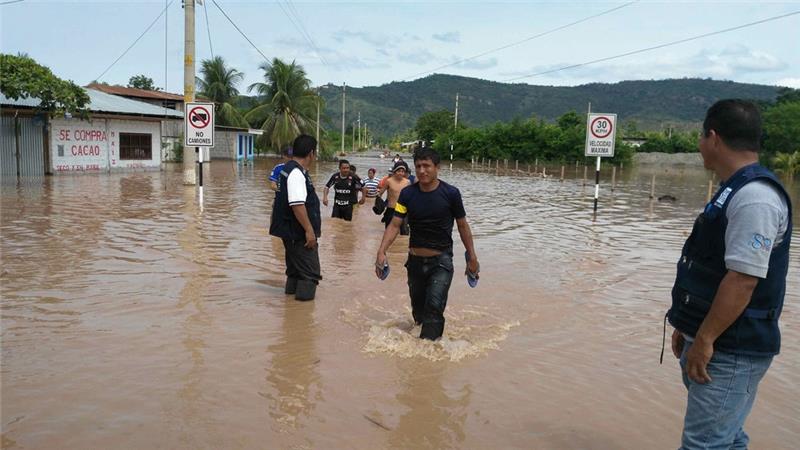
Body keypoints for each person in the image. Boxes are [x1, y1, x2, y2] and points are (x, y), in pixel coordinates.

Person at [666, 99, 791, 449]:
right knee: (727, 438)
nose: (699, 145)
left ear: (714, 138)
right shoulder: (733, 188)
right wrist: (687, 326)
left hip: (730, 347)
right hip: (714, 339)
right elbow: (712, 268)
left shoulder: (755, 198)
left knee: (704, 444)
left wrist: (704, 339)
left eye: (701, 137)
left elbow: (743, 280)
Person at [374, 148, 480, 340]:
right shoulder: (407, 194)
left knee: (434, 309)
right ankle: (421, 355)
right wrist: (381, 251)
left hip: (441, 262)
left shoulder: (451, 194)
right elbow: (395, 223)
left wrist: (472, 257)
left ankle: (430, 359)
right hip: (414, 262)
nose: (422, 171)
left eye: (427, 166)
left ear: (437, 167)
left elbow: (463, 225)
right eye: (418, 167)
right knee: (419, 314)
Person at [268, 135, 322, 301]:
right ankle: (304, 319)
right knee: (310, 274)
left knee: (295, 271)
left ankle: (291, 315)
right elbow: (297, 205)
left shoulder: (287, 168)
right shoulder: (296, 173)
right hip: (298, 233)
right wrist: (309, 231)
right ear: (311, 153)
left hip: (290, 231)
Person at [378, 160, 411, 235]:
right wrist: (379, 204)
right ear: (394, 171)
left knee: (404, 233)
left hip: (403, 210)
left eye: (403, 171)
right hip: (391, 209)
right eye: (399, 171)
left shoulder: (407, 182)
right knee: (389, 232)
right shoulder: (389, 181)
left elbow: (410, 196)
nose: (401, 173)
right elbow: (380, 193)